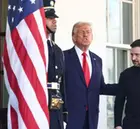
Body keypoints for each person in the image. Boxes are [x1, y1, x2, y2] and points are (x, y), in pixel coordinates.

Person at [64, 21, 118, 129]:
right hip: (71, 118)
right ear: (73, 37)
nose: (85, 35)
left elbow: (101, 87)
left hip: (91, 118)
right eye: (82, 32)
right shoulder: (63, 57)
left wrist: (127, 86)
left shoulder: (97, 60)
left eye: (88, 32)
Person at [43, 0, 67, 129]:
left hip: (56, 105)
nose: (54, 21)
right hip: (40, 103)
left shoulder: (57, 50)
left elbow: (62, 83)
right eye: (50, 18)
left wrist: (64, 112)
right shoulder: (35, 48)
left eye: (54, 18)